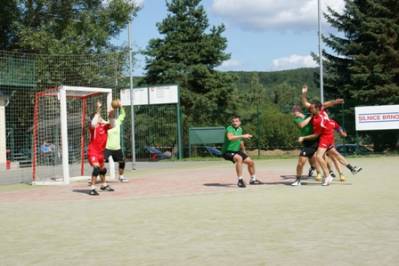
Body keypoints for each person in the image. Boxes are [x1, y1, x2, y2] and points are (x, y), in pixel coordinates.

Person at [299, 85, 362, 186]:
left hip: (325, 137)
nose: (310, 108)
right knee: (334, 154)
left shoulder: (319, 120)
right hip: (328, 136)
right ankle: (351, 168)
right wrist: (304, 93)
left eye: (312, 107)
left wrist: (304, 138)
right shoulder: (319, 110)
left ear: (317, 108)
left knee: (319, 156)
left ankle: (328, 176)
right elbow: (308, 102)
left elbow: (316, 134)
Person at [222, 115, 261, 188]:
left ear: (240, 122)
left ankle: (253, 179)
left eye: (236, 121)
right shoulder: (229, 128)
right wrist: (243, 136)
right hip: (227, 151)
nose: (234, 123)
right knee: (239, 158)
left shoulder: (240, 129)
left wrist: (243, 150)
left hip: (236, 151)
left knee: (251, 162)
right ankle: (240, 180)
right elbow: (230, 138)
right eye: (233, 121)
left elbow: (240, 142)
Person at [87, 101, 115, 196]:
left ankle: (104, 185)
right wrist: (98, 109)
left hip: (101, 153)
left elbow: (112, 124)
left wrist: (111, 114)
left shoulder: (104, 126)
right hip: (93, 152)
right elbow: (94, 122)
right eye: (98, 117)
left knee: (103, 170)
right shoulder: (93, 127)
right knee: (96, 168)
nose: (100, 117)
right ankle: (92, 188)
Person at [291, 105, 321, 186]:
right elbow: (302, 125)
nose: (293, 114)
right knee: (302, 162)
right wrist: (311, 117)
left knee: (322, 158)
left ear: (297, 111)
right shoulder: (296, 119)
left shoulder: (310, 116)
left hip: (316, 140)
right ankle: (298, 180)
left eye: (293, 112)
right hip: (307, 142)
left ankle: (328, 175)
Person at [105, 99, 127, 182]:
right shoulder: (107, 124)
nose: (112, 117)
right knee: (100, 162)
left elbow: (123, 114)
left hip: (117, 147)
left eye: (113, 116)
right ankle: (97, 177)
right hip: (107, 147)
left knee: (122, 161)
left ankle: (121, 176)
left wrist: (120, 105)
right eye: (111, 116)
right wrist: (111, 110)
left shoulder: (118, 122)